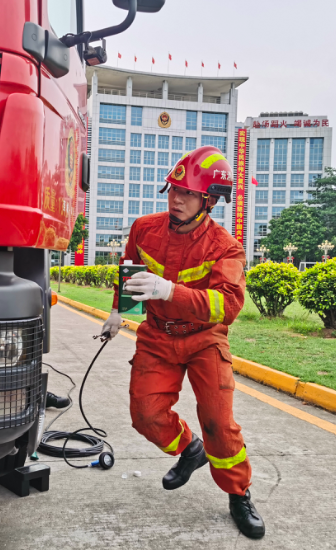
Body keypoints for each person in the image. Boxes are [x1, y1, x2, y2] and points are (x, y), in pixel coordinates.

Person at [101, 146, 265, 539]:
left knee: (219, 425)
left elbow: (226, 305)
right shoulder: (144, 229)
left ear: (208, 200)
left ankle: (238, 493)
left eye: (187, 193)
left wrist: (168, 290)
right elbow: (130, 274)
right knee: (146, 415)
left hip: (204, 340)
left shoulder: (226, 247)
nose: (176, 198)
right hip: (158, 336)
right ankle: (190, 449)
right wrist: (117, 311)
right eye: (174, 189)